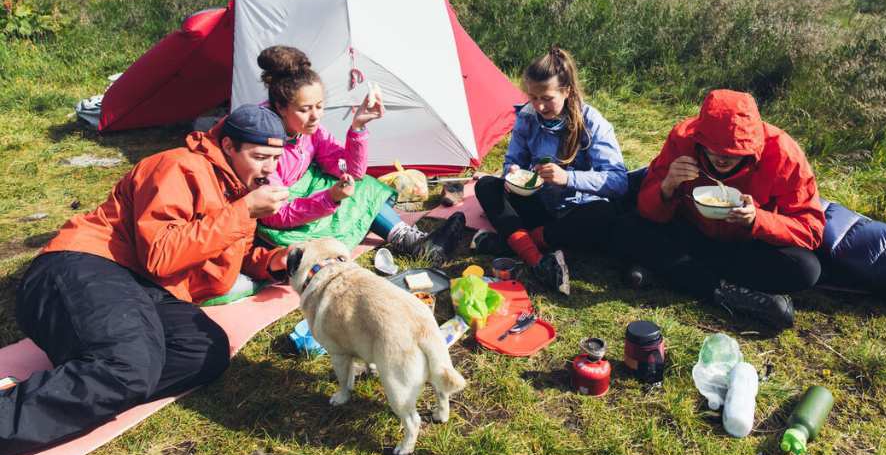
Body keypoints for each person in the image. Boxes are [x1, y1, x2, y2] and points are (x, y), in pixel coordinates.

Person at [0, 105, 294, 455]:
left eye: (276, 159)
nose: (269, 169)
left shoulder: (235, 191)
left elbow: (229, 251)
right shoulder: (179, 166)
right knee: (129, 365)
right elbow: (162, 255)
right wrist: (243, 212)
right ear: (229, 146)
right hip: (86, 264)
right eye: (260, 157)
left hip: (146, 289)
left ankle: (86, 382)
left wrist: (280, 261)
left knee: (205, 352)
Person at [618, 89, 824, 329]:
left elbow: (811, 229)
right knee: (625, 227)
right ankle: (725, 292)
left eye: (732, 154)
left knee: (806, 269)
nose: (722, 160)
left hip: (746, 247)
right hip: (690, 232)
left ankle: (675, 272)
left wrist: (757, 220)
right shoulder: (683, 139)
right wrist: (667, 186)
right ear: (699, 138)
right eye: (713, 149)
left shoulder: (783, 152)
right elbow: (648, 209)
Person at [254, 46, 465, 262]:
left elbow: (352, 171)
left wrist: (358, 128)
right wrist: (329, 198)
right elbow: (275, 215)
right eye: (305, 109)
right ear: (280, 107)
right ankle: (415, 244)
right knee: (345, 193)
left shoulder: (309, 131)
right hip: (281, 222)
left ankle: (414, 242)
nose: (315, 116)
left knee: (361, 186)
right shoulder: (264, 147)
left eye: (319, 106)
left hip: (304, 197)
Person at [473, 47, 628, 294]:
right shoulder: (527, 116)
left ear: (566, 91)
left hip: (576, 211)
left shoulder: (592, 122)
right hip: (538, 203)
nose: (540, 106)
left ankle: (515, 242)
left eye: (547, 98)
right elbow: (513, 162)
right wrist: (511, 173)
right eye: (533, 97)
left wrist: (568, 178)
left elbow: (618, 181)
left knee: (605, 213)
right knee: (486, 186)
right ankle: (538, 261)